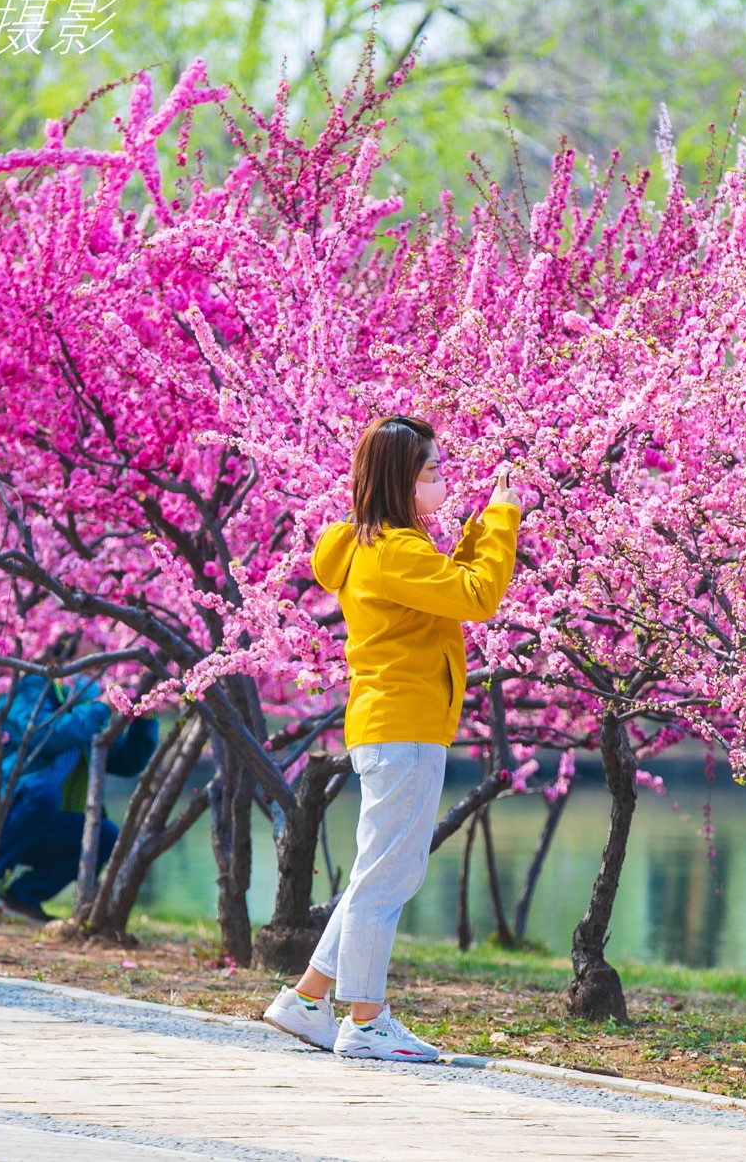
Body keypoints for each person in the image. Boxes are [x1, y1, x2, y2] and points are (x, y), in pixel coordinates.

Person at [262, 414, 523, 1061]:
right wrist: (502, 521)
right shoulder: (396, 550)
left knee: (379, 872)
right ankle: (367, 1019)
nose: (441, 482)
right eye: (431, 473)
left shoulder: (374, 546)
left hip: (390, 724)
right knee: (389, 878)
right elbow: (479, 594)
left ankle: (308, 996)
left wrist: (474, 531)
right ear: (400, 483)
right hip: (404, 728)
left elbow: (447, 594)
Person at [0, 673, 158, 920]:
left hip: (30, 821)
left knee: (104, 835)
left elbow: (126, 761)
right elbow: (45, 735)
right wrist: (101, 708)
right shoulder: (31, 688)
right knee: (43, 794)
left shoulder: (84, 709)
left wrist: (144, 719)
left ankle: (20, 898)